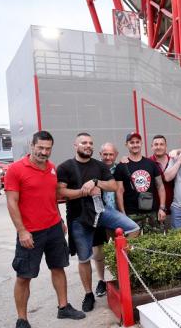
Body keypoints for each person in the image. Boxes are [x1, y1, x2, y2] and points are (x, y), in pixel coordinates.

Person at [5, 131, 85, 328]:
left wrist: (59, 220)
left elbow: (51, 197)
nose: (44, 152)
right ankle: (22, 320)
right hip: (30, 232)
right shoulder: (15, 169)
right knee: (24, 276)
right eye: (40, 147)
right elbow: (12, 202)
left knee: (58, 267)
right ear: (31, 146)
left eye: (48, 148)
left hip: (54, 228)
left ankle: (63, 307)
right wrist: (22, 231)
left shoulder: (51, 168)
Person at [57, 133, 140, 313]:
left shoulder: (99, 165)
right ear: (75, 145)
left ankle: (120, 262)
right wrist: (84, 191)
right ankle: (88, 294)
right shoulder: (65, 167)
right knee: (84, 258)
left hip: (101, 211)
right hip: (79, 217)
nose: (88, 145)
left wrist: (96, 182)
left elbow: (113, 186)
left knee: (133, 228)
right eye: (84, 142)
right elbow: (60, 192)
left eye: (90, 143)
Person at [114, 132, 167, 234]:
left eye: (137, 142)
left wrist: (162, 208)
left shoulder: (151, 164)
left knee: (156, 241)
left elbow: (160, 186)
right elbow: (119, 191)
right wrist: (122, 213)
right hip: (131, 213)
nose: (135, 145)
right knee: (132, 243)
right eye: (132, 142)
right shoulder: (121, 166)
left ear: (141, 143)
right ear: (126, 144)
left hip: (152, 212)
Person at [90, 142, 119, 297]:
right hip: (98, 215)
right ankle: (101, 280)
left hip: (116, 214)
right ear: (100, 154)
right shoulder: (94, 169)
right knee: (98, 251)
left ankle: (119, 277)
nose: (108, 157)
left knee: (118, 248)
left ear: (116, 155)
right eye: (105, 154)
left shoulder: (120, 168)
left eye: (111, 154)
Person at [148, 135, 174, 231]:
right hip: (154, 210)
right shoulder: (148, 163)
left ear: (166, 146)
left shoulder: (173, 160)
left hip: (174, 209)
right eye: (156, 144)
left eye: (161, 144)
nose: (158, 147)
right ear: (152, 146)